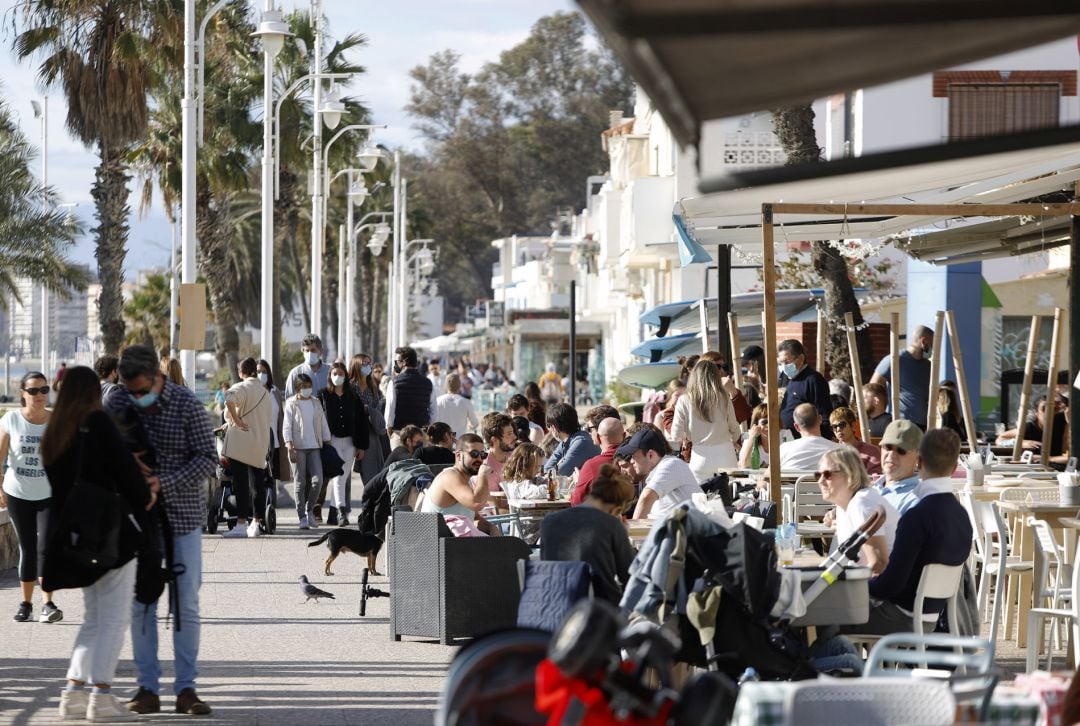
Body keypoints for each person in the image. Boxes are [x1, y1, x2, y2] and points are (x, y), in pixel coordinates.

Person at [40, 366, 154, 722]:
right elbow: (125, 475)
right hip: (110, 535)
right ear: (92, 392)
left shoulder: (55, 432)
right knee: (113, 618)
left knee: (92, 617)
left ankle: (73, 692)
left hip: (74, 538)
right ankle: (100, 695)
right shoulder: (98, 423)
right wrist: (145, 493)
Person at [112, 345, 216, 716]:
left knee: (185, 603)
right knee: (141, 604)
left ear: (158, 377)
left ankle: (187, 688)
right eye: (132, 391)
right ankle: (147, 687)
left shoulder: (187, 404)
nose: (138, 398)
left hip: (183, 520)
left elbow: (208, 459)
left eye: (144, 390)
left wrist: (162, 483)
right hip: (139, 525)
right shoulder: (118, 404)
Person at [842, 429, 972, 635]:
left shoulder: (917, 516)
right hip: (933, 616)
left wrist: (857, 588)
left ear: (918, 462)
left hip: (902, 618)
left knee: (828, 615)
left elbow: (891, 585)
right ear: (955, 467)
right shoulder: (962, 515)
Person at [0, 371, 61, 623]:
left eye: (44, 390)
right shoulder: (11, 419)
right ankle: (26, 604)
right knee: (28, 548)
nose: (39, 395)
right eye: (34, 391)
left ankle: (48, 603)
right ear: (23, 394)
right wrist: (0, 488)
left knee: (46, 547)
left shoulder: (56, 420)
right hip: (18, 493)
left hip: (48, 494)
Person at [541, 464, 637, 604]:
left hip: (555, 607)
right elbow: (629, 575)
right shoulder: (611, 525)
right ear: (616, 510)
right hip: (599, 611)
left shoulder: (549, 522)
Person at [817, 446, 898, 575]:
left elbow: (879, 564)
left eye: (827, 474)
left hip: (883, 588)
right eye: (818, 475)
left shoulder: (862, 503)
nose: (821, 481)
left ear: (850, 474)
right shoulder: (845, 505)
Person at [220, 357, 273, 538]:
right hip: (259, 442)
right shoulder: (266, 393)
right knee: (258, 484)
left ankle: (241, 524)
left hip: (240, 443)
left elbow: (229, 400)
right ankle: (256, 523)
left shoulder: (241, 387)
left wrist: (236, 420)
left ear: (241, 371)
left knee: (240, 484)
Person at [671, 360, 742, 483]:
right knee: (729, 499)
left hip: (700, 456)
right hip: (725, 454)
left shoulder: (684, 400)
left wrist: (687, 436)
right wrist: (734, 439)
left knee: (701, 499)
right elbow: (735, 429)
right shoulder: (723, 397)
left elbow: (675, 435)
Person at [318, 361, 369, 526]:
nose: (337, 377)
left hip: (349, 442)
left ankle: (333, 513)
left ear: (346, 376)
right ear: (330, 376)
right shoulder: (323, 395)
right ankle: (342, 512)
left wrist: (361, 446)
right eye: (334, 374)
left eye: (340, 374)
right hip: (331, 441)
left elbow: (361, 422)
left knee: (341, 477)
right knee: (338, 477)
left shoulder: (353, 397)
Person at [620, 428, 708, 521]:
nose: (632, 461)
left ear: (650, 455)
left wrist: (633, 531)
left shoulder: (671, 464)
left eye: (634, 456)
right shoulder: (658, 471)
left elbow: (647, 497)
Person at [420, 433, 499, 535]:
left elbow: (473, 517)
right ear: (458, 455)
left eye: (483, 454)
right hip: (438, 546)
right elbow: (476, 503)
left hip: (455, 544)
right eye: (474, 454)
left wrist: (490, 527)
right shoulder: (449, 476)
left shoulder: (466, 481)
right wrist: (483, 475)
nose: (479, 459)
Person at [282, 372, 331, 530]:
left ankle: (309, 510)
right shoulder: (291, 403)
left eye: (309, 386)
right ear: (297, 388)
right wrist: (290, 447)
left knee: (318, 481)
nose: (307, 390)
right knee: (300, 483)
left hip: (315, 446)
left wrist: (327, 439)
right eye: (304, 387)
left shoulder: (316, 402)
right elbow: (287, 426)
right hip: (297, 447)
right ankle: (301, 516)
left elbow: (322, 422)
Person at [870, 324, 933, 429]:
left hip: (923, 423)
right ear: (923, 341)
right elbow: (872, 387)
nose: (932, 348)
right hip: (900, 423)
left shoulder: (928, 366)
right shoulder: (895, 359)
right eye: (931, 344)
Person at [777, 339, 833, 439]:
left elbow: (824, 414)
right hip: (790, 438)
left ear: (801, 358)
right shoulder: (792, 379)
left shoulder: (813, 380)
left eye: (787, 362)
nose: (784, 366)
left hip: (808, 441)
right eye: (781, 363)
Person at [257, 359, 291, 515]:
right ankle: (259, 507)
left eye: (264, 371)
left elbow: (280, 417)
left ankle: (268, 507)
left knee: (271, 476)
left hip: (274, 442)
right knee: (260, 476)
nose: (261, 375)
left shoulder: (274, 391)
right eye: (258, 372)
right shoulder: (252, 391)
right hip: (256, 441)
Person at [350, 353, 388, 483]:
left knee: (371, 473)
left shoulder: (372, 385)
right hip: (353, 434)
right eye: (364, 363)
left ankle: (370, 501)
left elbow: (376, 407)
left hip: (370, 433)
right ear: (356, 365)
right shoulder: (350, 386)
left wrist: (370, 411)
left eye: (369, 363)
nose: (368, 366)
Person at [384, 346, 437, 439]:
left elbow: (390, 408)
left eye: (397, 361)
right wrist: (429, 428)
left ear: (403, 362)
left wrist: (389, 428)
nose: (396, 364)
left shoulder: (394, 382)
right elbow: (434, 410)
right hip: (421, 432)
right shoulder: (428, 383)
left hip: (400, 431)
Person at [874, 419, 924, 515]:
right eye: (888, 447)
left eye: (901, 450)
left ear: (918, 458)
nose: (891, 454)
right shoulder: (873, 488)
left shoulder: (917, 501)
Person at [573, 417, 625, 505]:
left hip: (601, 517)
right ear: (624, 436)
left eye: (590, 430)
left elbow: (577, 502)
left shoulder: (591, 465)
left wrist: (578, 483)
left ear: (598, 437)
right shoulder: (634, 460)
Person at [999, 394, 1068, 457]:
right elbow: (1000, 438)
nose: (1049, 413)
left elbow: (1067, 455)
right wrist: (1021, 442)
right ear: (1036, 412)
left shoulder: (1063, 426)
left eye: (1054, 409)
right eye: (1044, 409)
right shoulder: (1029, 427)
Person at [778, 403, 841, 471]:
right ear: (820, 419)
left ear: (796, 427)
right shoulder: (840, 451)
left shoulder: (783, 449)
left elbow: (768, 477)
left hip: (792, 481)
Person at [543, 403, 601, 476]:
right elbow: (546, 468)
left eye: (549, 426)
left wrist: (557, 466)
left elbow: (562, 472)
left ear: (554, 427)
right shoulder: (566, 441)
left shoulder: (581, 442)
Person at [829, 406, 882, 476]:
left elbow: (876, 479)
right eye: (834, 427)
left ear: (853, 425)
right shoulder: (830, 453)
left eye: (842, 425)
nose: (838, 429)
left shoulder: (871, 451)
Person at [478, 412, 516, 493]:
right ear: (494, 440)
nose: (514, 437)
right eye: (509, 434)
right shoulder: (486, 467)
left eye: (513, 432)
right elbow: (494, 503)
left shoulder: (515, 457)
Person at [284, 333, 330, 398]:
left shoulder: (330, 371)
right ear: (303, 351)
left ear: (321, 350)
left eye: (313, 350)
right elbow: (289, 399)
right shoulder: (295, 373)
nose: (310, 353)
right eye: (307, 351)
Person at [738, 403, 770, 469]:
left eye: (772, 421)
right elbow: (743, 465)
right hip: (755, 478)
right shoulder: (749, 437)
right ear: (756, 424)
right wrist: (752, 438)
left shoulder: (785, 435)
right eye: (764, 422)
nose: (768, 426)